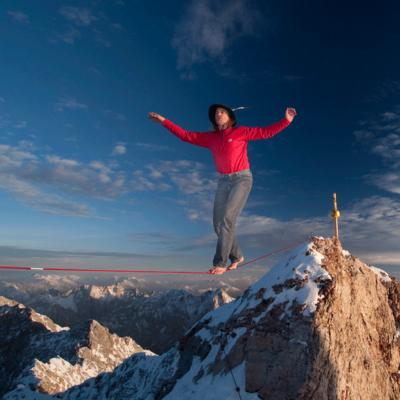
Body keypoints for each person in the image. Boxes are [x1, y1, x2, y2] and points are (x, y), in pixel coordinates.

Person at [148, 105, 296, 274]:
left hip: (242, 179)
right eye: (216, 113)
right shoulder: (209, 137)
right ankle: (237, 256)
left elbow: (266, 132)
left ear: (230, 117)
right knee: (217, 224)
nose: (218, 114)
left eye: (222, 112)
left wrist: (286, 121)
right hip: (223, 182)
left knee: (227, 219)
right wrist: (164, 121)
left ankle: (220, 262)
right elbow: (185, 136)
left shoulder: (241, 132)